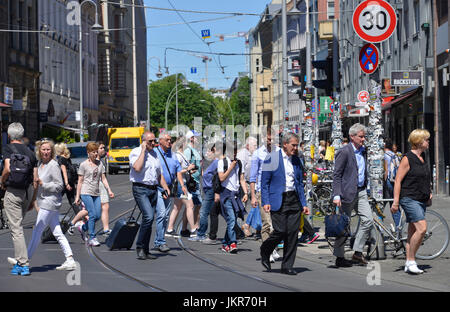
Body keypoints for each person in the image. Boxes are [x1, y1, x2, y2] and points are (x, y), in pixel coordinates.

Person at [22, 139, 77, 271]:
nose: (46, 152)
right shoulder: (40, 164)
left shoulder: (53, 165)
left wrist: (44, 184)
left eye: (48, 149)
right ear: (39, 151)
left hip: (50, 202)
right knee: (57, 232)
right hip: (45, 201)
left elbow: (59, 186)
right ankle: (70, 259)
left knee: (37, 230)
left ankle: (24, 260)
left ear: (51, 151)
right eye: (43, 149)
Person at [260, 132, 309, 275]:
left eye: (297, 145)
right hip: (278, 199)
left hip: (293, 199)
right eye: (293, 145)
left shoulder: (297, 160)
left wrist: (304, 203)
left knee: (293, 233)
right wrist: (266, 201)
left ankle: (287, 266)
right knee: (280, 231)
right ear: (285, 144)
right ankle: (266, 249)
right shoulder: (272, 158)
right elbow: (265, 183)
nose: (296, 148)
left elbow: (299, 184)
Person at [332, 123, 374, 267]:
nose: (363, 139)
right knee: (344, 225)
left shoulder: (363, 150)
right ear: (352, 136)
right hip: (346, 193)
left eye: (364, 137)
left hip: (361, 191)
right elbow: (336, 175)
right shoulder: (344, 152)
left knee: (368, 220)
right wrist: (336, 195)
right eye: (361, 137)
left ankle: (357, 252)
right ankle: (339, 256)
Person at [392, 129, 432, 274]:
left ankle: (409, 263)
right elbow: (398, 180)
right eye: (426, 139)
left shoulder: (423, 157)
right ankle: (411, 260)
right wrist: (395, 201)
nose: (428, 142)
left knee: (412, 231)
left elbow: (424, 177)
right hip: (409, 198)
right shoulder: (407, 158)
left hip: (421, 198)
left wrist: (430, 192)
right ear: (419, 141)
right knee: (422, 228)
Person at [1, 122, 38, 276]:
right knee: (18, 226)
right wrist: (32, 199)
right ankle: (19, 261)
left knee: (16, 229)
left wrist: (2, 181)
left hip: (13, 192)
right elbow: (36, 179)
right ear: (22, 135)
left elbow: (8, 168)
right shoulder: (30, 152)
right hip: (26, 192)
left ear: (9, 135)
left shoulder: (7, 149)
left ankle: (23, 264)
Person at [129, 131, 170, 260]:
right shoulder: (135, 152)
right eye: (150, 141)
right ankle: (140, 247)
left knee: (150, 219)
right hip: (140, 189)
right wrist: (143, 151)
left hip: (153, 189)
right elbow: (137, 168)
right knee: (148, 216)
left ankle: (146, 250)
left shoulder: (154, 154)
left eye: (154, 140)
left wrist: (165, 188)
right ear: (143, 141)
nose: (153, 143)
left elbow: (159, 175)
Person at [249, 128, 281, 262]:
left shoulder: (279, 152)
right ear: (263, 139)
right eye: (268, 139)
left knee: (277, 223)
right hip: (263, 191)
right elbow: (253, 176)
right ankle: (268, 250)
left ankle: (271, 247)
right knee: (267, 223)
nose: (271, 141)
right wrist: (253, 195)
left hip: (277, 191)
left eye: (273, 138)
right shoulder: (257, 154)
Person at [74, 142, 114, 247]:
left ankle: (83, 228)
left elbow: (103, 178)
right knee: (92, 214)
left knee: (96, 216)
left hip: (96, 192)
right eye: (93, 152)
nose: (95, 154)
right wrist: (77, 196)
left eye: (96, 151)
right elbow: (80, 181)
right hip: (85, 192)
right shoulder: (83, 165)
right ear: (88, 153)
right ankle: (92, 237)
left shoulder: (100, 163)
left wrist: (109, 190)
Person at [154, 132, 184, 252]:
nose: (169, 142)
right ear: (160, 141)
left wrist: (182, 185)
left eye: (170, 140)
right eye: (167, 140)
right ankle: (160, 242)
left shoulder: (172, 154)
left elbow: (178, 170)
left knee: (165, 215)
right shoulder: (155, 153)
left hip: (168, 188)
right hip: (157, 188)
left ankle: (159, 240)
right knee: (161, 214)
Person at [217, 141, 248, 254]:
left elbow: (242, 179)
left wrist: (245, 193)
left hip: (236, 195)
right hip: (226, 194)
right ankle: (233, 243)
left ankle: (225, 243)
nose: (234, 154)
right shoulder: (222, 162)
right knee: (232, 219)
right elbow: (221, 178)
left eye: (235, 152)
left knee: (232, 220)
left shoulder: (239, 163)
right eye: (232, 152)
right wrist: (230, 167)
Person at [166, 136, 197, 237]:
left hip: (182, 183)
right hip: (180, 184)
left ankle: (170, 229)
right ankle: (193, 229)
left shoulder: (180, 155)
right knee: (190, 205)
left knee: (177, 207)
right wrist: (188, 169)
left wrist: (190, 170)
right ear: (182, 144)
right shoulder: (177, 156)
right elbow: (176, 171)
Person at [189, 143, 221, 242]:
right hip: (207, 190)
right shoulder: (207, 162)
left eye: (210, 151)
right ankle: (238, 232)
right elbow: (202, 173)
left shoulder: (217, 162)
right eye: (206, 151)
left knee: (203, 212)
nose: (207, 153)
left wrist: (216, 192)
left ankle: (201, 234)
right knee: (214, 212)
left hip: (211, 190)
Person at [237, 136, 258, 237]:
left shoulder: (253, 154)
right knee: (242, 206)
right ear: (248, 145)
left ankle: (247, 225)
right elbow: (240, 169)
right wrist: (244, 183)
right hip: (244, 183)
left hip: (252, 182)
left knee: (255, 204)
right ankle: (238, 229)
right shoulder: (243, 154)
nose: (256, 147)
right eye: (254, 145)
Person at [184, 130, 203, 229]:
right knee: (197, 204)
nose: (199, 139)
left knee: (189, 206)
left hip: (196, 181)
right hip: (192, 182)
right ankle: (195, 226)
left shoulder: (195, 150)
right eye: (197, 137)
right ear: (191, 138)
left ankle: (184, 228)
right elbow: (184, 166)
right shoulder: (188, 151)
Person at [55, 143, 79, 215]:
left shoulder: (61, 159)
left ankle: (50, 216)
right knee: (72, 200)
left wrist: (66, 183)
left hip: (64, 183)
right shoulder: (67, 158)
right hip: (71, 182)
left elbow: (64, 171)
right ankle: (80, 216)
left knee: (55, 199)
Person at [383, 138, 401, 228]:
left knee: (380, 206)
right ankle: (399, 227)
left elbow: (386, 171)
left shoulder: (384, 155)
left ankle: (379, 229)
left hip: (388, 183)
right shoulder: (395, 155)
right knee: (394, 205)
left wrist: (383, 182)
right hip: (395, 182)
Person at [97, 142, 111, 237]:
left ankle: (106, 229)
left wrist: (109, 190)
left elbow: (104, 178)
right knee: (92, 211)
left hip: (102, 186)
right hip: (95, 187)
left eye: (103, 147)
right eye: (101, 148)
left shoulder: (101, 161)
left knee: (105, 207)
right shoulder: (93, 161)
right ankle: (77, 223)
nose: (103, 149)